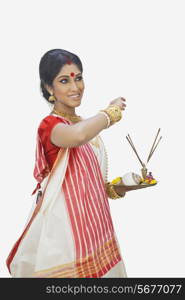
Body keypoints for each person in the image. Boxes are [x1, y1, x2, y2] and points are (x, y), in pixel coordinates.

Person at [6, 49, 128, 278]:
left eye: (78, 78)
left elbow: (92, 185)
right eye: (64, 80)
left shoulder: (85, 125)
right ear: (49, 88)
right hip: (66, 238)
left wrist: (119, 187)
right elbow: (76, 136)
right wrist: (111, 112)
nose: (75, 87)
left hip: (97, 231)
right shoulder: (51, 126)